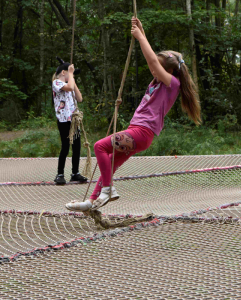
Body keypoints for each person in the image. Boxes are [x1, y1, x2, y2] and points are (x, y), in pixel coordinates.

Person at [66, 17, 201, 211]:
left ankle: (107, 189)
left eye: (159, 68)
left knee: (100, 147)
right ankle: (93, 200)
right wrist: (141, 31)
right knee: (110, 163)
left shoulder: (173, 84)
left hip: (142, 133)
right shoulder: (158, 81)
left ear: (169, 70)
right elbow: (152, 60)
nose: (153, 70)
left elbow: (153, 62)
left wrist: (140, 38)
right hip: (137, 132)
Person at [52, 58, 87, 185]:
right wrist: (70, 77)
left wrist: (72, 77)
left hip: (73, 119)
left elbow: (80, 98)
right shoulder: (56, 83)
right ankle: (60, 173)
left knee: (76, 146)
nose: (71, 75)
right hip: (63, 120)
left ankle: (75, 173)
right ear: (63, 73)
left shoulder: (69, 84)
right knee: (66, 146)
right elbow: (69, 86)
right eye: (69, 73)